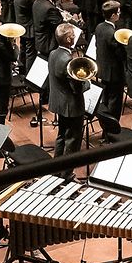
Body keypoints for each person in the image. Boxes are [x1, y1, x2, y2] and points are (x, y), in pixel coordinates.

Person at [47, 23, 87, 162]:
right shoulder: (67, 61)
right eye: (72, 35)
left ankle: (56, 167)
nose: (75, 36)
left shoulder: (53, 53)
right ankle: (67, 173)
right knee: (72, 140)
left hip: (59, 102)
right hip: (71, 105)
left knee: (62, 135)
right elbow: (76, 88)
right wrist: (87, 82)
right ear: (69, 40)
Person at [95, 1, 127, 123]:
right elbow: (120, 54)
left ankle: (105, 125)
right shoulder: (112, 33)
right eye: (118, 12)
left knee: (106, 99)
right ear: (113, 15)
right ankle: (111, 129)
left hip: (103, 69)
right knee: (115, 102)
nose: (119, 14)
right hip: (114, 73)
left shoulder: (99, 27)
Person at [31, 0, 63, 65]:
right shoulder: (49, 8)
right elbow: (59, 25)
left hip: (39, 40)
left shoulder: (36, 2)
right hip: (48, 43)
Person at [14, 0, 37, 71]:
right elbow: (36, 10)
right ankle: (30, 74)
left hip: (21, 26)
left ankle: (22, 69)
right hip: (29, 29)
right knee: (31, 53)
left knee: (23, 49)